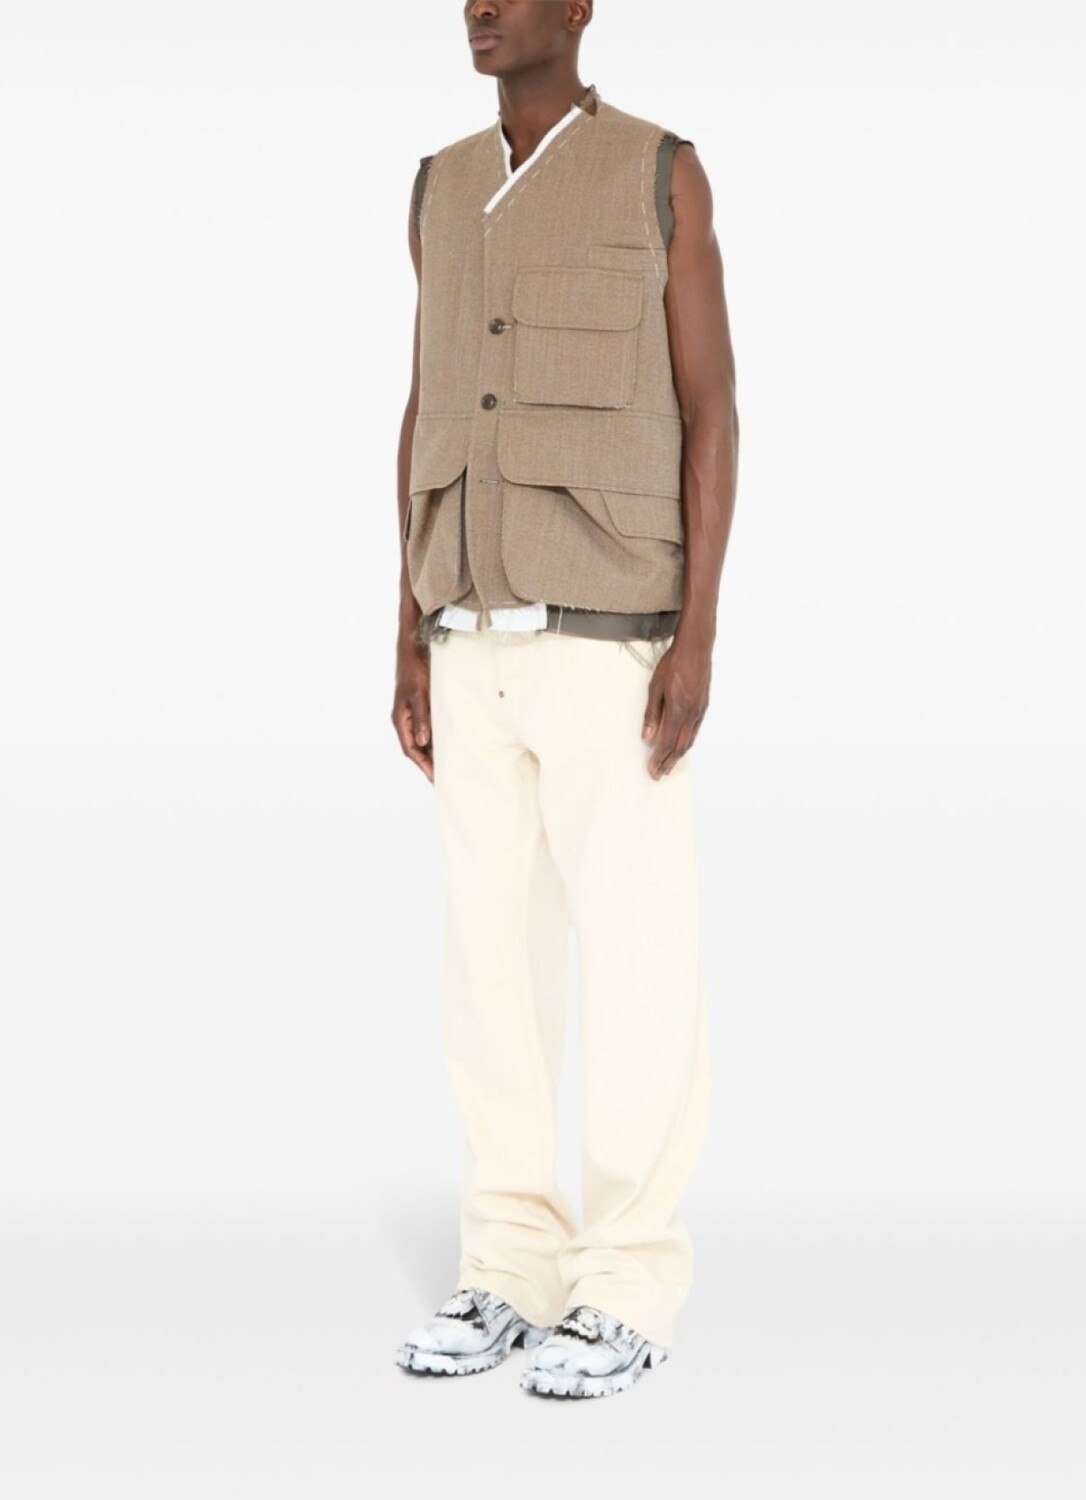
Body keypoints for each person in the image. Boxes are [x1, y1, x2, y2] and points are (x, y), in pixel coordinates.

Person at [391, 0, 737, 1400]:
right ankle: (507, 1269)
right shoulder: (438, 185)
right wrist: (405, 628)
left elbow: (712, 408)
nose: (480, 6)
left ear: (581, 6)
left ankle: (627, 1284)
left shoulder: (658, 168)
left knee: (637, 968)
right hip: (464, 639)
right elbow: (423, 400)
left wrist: (697, 635)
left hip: (611, 648)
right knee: (490, 977)